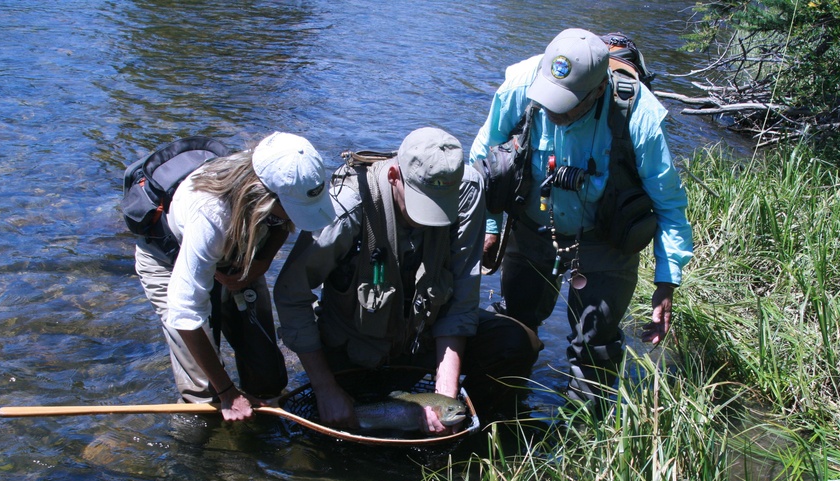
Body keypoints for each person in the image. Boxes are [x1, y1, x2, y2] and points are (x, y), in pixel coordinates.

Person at [470, 28, 693, 407]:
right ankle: (502, 418)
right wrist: (490, 226)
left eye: (566, 104)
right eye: (548, 100)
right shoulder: (521, 85)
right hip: (531, 228)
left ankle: (582, 441)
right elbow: (482, 159)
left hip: (605, 241)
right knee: (514, 328)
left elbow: (669, 204)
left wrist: (666, 281)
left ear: (598, 91)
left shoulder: (639, 115)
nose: (553, 110)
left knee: (594, 347)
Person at [273, 127, 539, 434]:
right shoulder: (347, 206)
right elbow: (290, 293)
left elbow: (462, 302)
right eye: (421, 205)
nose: (428, 219)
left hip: (421, 343)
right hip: (352, 352)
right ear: (394, 177)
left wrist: (444, 397)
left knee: (516, 342)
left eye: (440, 207)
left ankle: (472, 441)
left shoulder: (466, 192)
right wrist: (324, 388)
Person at [135, 132, 335, 421]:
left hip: (239, 252)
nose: (295, 217)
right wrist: (228, 391)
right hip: (168, 259)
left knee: (268, 379)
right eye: (292, 210)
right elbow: (185, 313)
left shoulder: (284, 185)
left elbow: (282, 221)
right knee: (205, 395)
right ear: (263, 196)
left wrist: (261, 264)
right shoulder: (211, 215)